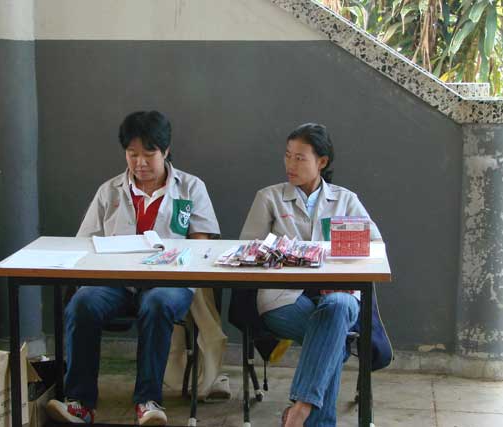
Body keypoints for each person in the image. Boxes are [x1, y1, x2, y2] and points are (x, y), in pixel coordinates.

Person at [46, 111, 227, 426]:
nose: (140, 162)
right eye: (132, 154)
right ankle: (80, 403)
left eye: (149, 154)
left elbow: (201, 245)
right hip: (116, 283)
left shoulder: (190, 188)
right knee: (82, 303)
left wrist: (174, 257)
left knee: (157, 303)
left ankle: (148, 402)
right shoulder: (110, 191)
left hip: (169, 284)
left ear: (166, 151)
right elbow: (85, 243)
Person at [240, 123, 385, 427]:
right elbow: (247, 250)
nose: (290, 165)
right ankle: (308, 415)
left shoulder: (345, 200)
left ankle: (300, 410)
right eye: (287, 156)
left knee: (339, 307)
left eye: (300, 158)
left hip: (337, 293)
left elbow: (375, 245)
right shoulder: (268, 198)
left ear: (322, 162)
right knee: (334, 339)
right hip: (283, 298)